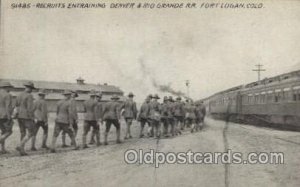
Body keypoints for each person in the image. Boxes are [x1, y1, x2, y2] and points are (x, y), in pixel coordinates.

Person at [15, 81, 36, 156]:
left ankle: (22, 151)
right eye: (31, 88)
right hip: (26, 116)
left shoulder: (19, 95)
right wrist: (32, 118)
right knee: (32, 132)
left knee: (23, 133)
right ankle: (20, 145)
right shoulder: (29, 96)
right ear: (29, 88)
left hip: (19, 116)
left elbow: (16, 105)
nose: (31, 90)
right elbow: (30, 108)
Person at [0, 82, 14, 154]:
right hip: (4, 116)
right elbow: (8, 107)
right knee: (9, 131)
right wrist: (9, 117)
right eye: (9, 87)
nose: (10, 89)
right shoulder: (7, 95)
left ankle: (2, 149)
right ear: (6, 87)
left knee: (3, 132)